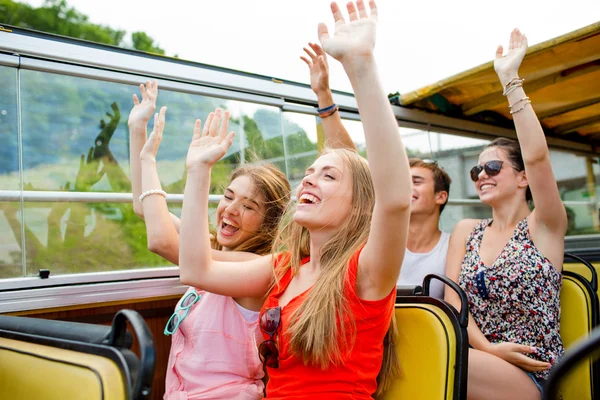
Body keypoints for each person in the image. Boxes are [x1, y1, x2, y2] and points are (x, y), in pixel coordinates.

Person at [178, 1, 411, 398]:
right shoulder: (284, 268)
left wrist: (361, 66)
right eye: (309, 172)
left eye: (329, 175)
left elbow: (395, 200)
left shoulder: (367, 273)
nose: (309, 179)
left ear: (358, 207)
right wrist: (198, 172)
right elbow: (196, 271)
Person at [128, 84, 291, 399]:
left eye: (249, 206)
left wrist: (152, 161)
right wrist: (138, 129)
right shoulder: (209, 248)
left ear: (269, 223)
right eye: (229, 196)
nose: (231, 209)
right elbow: (144, 207)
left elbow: (161, 240)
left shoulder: (258, 267)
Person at [445, 29, 566, 400]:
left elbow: (538, 156)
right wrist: (488, 349)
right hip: (477, 357)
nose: (482, 175)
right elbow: (453, 304)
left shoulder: (544, 226)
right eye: (476, 171)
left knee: (438, 359)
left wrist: (511, 82)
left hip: (532, 371)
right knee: (440, 355)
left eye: (493, 167)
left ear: (522, 178)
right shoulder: (466, 230)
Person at [301, 41, 451, 299]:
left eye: (415, 181)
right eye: (405, 180)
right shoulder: (375, 237)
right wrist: (324, 96)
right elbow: (348, 163)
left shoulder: (453, 245)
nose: (405, 187)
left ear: (441, 196)